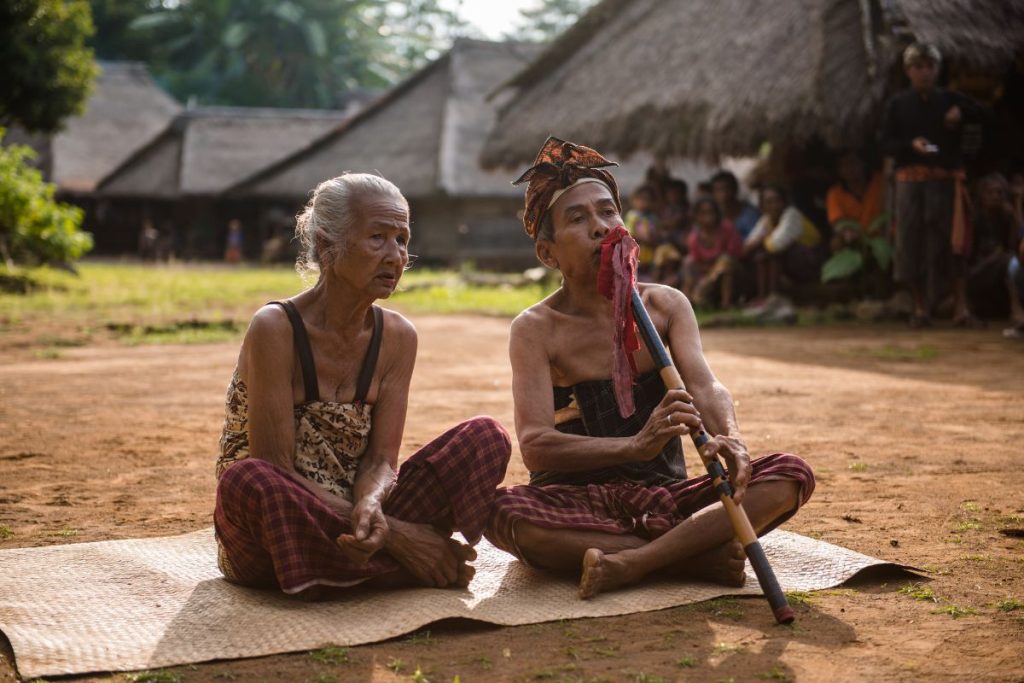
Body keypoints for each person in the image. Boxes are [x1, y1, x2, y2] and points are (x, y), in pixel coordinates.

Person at [486, 137, 814, 599]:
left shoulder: (665, 306)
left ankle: (636, 562)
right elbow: (538, 448)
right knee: (501, 514)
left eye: (607, 212)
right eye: (577, 219)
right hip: (576, 503)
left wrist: (731, 439)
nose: (600, 227)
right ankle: (693, 553)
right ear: (548, 253)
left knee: (788, 474)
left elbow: (705, 385)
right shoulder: (536, 329)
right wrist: (635, 446)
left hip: (664, 497)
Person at [213, 173, 511, 599]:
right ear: (325, 246)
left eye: (402, 240)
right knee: (248, 480)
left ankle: (340, 572)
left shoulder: (397, 337)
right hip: (280, 521)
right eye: (377, 238)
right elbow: (277, 468)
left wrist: (372, 502)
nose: (395, 256)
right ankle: (398, 566)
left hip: (360, 519)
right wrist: (401, 537)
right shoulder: (275, 329)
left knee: (485, 437)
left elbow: (381, 462)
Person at [881, 42, 983, 328]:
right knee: (910, 243)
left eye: (929, 66)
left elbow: (987, 116)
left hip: (945, 182)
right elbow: (884, 143)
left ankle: (960, 307)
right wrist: (910, 145)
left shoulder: (952, 100)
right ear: (908, 71)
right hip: (910, 184)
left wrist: (961, 116)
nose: (924, 72)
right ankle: (920, 307)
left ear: (936, 69)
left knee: (953, 243)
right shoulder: (897, 105)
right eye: (918, 67)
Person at [742, 186, 822, 303]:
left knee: (772, 254)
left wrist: (760, 241)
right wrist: (758, 242)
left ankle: (773, 297)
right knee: (760, 256)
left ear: (784, 202)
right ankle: (763, 297)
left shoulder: (792, 215)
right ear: (762, 206)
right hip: (791, 263)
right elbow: (745, 248)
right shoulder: (766, 220)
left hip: (811, 262)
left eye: (777, 201)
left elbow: (776, 245)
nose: (773, 206)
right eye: (768, 202)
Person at [684, 198, 743, 309]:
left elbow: (734, 254)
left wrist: (715, 271)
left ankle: (726, 303)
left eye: (711, 212)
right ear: (696, 216)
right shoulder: (694, 237)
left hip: (732, 275)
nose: (708, 216)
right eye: (703, 213)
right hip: (707, 276)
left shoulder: (727, 229)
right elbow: (696, 262)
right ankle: (688, 300)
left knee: (725, 263)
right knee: (688, 261)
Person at [826, 150, 885, 252]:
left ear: (863, 164)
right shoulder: (835, 193)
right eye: (844, 165)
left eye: (853, 162)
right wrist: (847, 233)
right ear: (839, 171)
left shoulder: (881, 182)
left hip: (882, 237)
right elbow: (838, 223)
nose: (850, 168)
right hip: (856, 241)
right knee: (836, 243)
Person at [711, 170, 760, 240]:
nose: (723, 195)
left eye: (727, 189)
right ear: (713, 194)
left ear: (735, 190)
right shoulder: (711, 216)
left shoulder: (750, 214)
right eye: (718, 190)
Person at [624, 184, 660, 279]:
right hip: (635, 253)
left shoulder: (653, 218)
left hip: (649, 254)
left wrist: (651, 240)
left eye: (647, 200)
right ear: (634, 200)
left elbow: (656, 235)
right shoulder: (632, 216)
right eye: (640, 199)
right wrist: (642, 238)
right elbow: (629, 234)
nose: (644, 203)